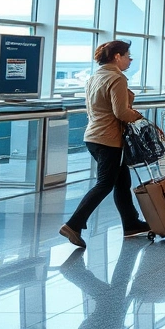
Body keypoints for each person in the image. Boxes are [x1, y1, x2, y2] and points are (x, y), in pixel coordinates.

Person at [60, 40, 149, 249]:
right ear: (117, 56)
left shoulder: (94, 77)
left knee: (121, 181)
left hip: (93, 136)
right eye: (128, 55)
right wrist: (139, 117)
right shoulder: (116, 78)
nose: (130, 59)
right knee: (105, 183)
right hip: (108, 139)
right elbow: (121, 113)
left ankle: (131, 223)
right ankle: (74, 224)